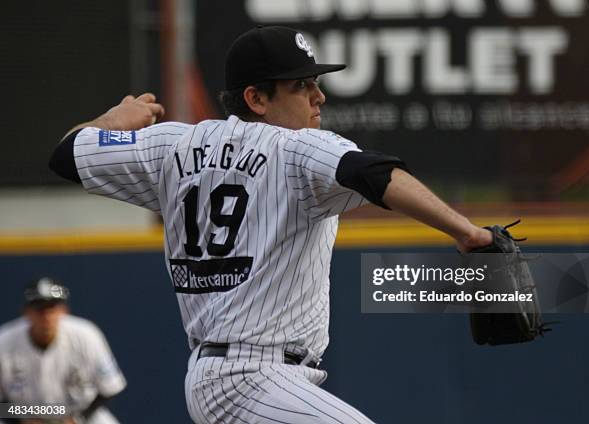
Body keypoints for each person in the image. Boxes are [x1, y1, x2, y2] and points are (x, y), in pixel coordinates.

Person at [49, 26, 492, 423]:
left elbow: (67, 155)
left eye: (316, 82)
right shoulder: (297, 149)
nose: (319, 96)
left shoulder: (172, 146)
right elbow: (375, 174)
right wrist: (467, 232)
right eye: (301, 85)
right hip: (253, 378)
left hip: (225, 377)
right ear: (256, 98)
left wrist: (109, 122)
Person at [0, 278, 127, 424]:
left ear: (63, 310)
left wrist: (79, 418)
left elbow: (110, 388)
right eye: (40, 309)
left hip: (79, 413)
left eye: (51, 308)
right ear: (27, 312)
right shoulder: (4, 341)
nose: (46, 316)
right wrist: (22, 420)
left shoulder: (86, 335)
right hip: (25, 415)